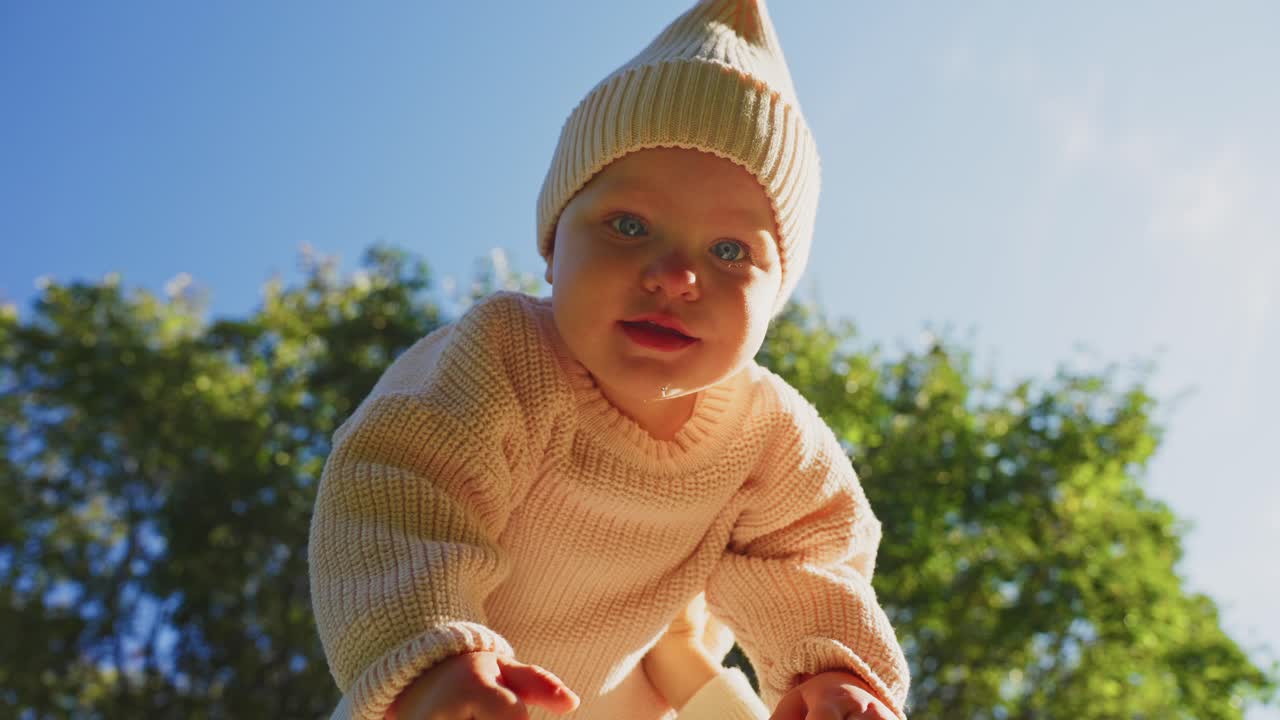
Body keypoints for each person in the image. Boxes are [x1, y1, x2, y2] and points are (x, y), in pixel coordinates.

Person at [307, 1, 911, 718]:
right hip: (444, 685)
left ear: (775, 297)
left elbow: (810, 562)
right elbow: (402, 488)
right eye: (629, 226)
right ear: (552, 249)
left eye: (730, 251)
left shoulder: (771, 435)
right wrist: (433, 655)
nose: (675, 276)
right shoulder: (503, 357)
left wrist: (832, 674)